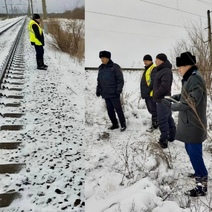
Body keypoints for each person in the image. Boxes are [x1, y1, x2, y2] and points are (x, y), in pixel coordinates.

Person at [162, 51, 208, 197]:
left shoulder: (195, 79)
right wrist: (174, 97)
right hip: (189, 123)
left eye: (180, 67)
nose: (178, 70)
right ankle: (199, 173)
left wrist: (172, 106)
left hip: (194, 124)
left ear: (187, 65)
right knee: (190, 150)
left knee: (195, 154)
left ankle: (202, 186)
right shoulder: (189, 78)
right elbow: (187, 95)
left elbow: (192, 101)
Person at [96, 50, 126, 132]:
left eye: (104, 58)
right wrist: (98, 90)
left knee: (118, 109)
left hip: (114, 93)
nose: (102, 59)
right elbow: (99, 81)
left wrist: (118, 90)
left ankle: (123, 124)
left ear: (108, 58)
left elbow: (120, 80)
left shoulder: (115, 67)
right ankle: (115, 124)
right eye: (101, 58)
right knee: (110, 110)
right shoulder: (101, 68)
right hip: (105, 93)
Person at [153, 53, 176, 148]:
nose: (155, 61)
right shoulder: (162, 70)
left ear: (161, 60)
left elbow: (165, 85)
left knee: (162, 119)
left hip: (162, 99)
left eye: (157, 59)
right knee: (168, 117)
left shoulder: (165, 71)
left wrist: (156, 93)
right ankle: (172, 136)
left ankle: (163, 140)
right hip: (163, 98)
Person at [140, 54, 158, 132]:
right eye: (144, 61)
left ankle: (155, 124)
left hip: (151, 94)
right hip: (147, 93)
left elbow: (153, 81)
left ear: (150, 60)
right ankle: (156, 122)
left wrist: (148, 90)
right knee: (151, 110)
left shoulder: (153, 68)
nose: (145, 62)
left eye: (146, 60)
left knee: (153, 110)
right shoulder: (147, 69)